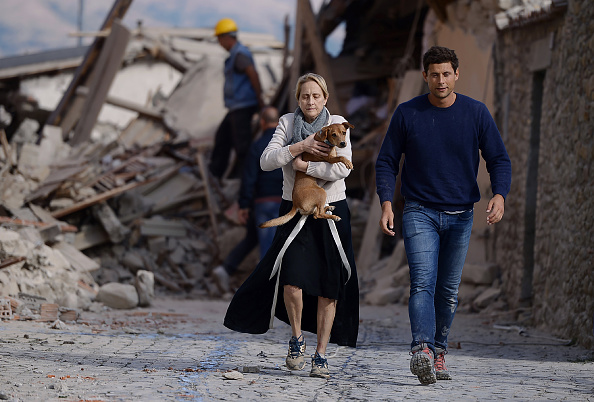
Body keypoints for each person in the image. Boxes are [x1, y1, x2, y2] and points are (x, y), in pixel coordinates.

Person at [375, 46, 512, 385]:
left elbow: (498, 159)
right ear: (425, 76)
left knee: (448, 290)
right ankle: (421, 349)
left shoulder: (476, 113)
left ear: (456, 75)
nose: (440, 80)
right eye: (434, 74)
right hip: (419, 210)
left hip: (461, 215)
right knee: (422, 281)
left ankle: (438, 351)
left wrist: (499, 195)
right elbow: (386, 162)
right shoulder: (408, 114)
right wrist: (386, 203)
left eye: (446, 73)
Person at [224, 73, 359, 379]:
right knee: (291, 280)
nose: (310, 101)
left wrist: (304, 166)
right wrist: (301, 146)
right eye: (304, 96)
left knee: (329, 288)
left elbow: (342, 168)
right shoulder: (287, 124)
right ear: (298, 99)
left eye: (315, 96)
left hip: (332, 209)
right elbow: (266, 160)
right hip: (296, 209)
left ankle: (321, 354)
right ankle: (297, 339)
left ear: (325, 98)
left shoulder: (338, 123)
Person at [212, 106, 283, 293]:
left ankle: (226, 269)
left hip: (262, 203)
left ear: (261, 122)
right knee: (272, 245)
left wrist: (244, 205)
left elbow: (249, 178)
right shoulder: (288, 145)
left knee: (257, 239)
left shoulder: (257, 145)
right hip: (284, 201)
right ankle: (266, 291)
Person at [209, 18, 264, 180]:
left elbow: (252, 73)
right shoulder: (235, 54)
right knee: (222, 138)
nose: (220, 43)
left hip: (243, 105)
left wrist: (260, 99)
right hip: (236, 106)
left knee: (242, 145)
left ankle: (245, 177)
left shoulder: (240, 54)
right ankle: (216, 173)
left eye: (219, 39)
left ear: (226, 37)